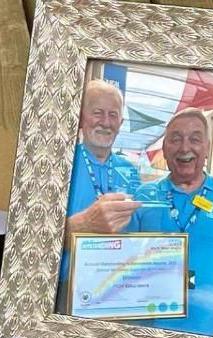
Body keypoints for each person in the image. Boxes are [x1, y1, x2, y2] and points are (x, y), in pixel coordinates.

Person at [125, 108, 213, 336]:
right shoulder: (143, 195)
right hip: (148, 330)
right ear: (165, 150)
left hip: (212, 334)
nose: (185, 147)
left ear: (206, 147)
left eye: (194, 139)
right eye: (175, 139)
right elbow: (123, 260)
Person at [57, 80, 141, 312]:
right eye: (97, 113)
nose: (105, 122)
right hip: (67, 288)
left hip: (119, 286)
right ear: (82, 117)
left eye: (113, 115)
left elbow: (139, 232)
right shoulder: (58, 163)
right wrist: (81, 225)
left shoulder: (131, 170)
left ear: (121, 123)